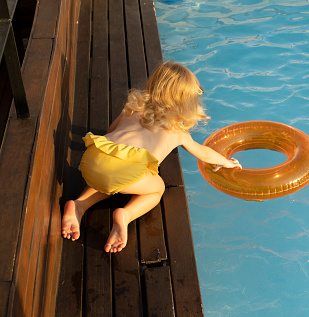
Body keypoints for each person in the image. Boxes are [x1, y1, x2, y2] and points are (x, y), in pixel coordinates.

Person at [61, 61, 242, 253]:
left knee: (112, 174)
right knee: (157, 187)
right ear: (186, 104)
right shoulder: (178, 132)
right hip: (121, 174)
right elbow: (204, 153)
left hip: (93, 158)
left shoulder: (132, 108)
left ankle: (79, 205)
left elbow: (109, 132)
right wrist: (226, 162)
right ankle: (125, 215)